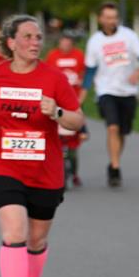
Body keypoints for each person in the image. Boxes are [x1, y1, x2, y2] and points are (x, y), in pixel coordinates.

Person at [0, 14, 84, 277]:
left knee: (36, 239)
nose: (35, 42)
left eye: (38, 37)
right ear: (11, 42)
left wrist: (59, 112)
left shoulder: (54, 78)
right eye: (27, 36)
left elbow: (77, 120)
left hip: (45, 169)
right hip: (4, 164)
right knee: (15, 233)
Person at [79, 0, 139, 187]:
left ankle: (113, 162)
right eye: (108, 17)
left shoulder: (129, 36)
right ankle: (116, 168)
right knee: (112, 127)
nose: (112, 21)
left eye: (115, 17)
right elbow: (90, 71)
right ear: (100, 19)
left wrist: (138, 72)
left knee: (122, 133)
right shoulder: (95, 41)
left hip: (128, 91)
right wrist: (82, 96)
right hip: (106, 90)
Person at [46, 30, 88, 187]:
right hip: (57, 101)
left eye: (69, 42)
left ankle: (74, 173)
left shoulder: (79, 55)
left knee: (73, 145)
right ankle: (56, 171)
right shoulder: (52, 55)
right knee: (56, 139)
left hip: (74, 99)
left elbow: (84, 74)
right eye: (63, 41)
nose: (66, 44)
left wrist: (82, 93)